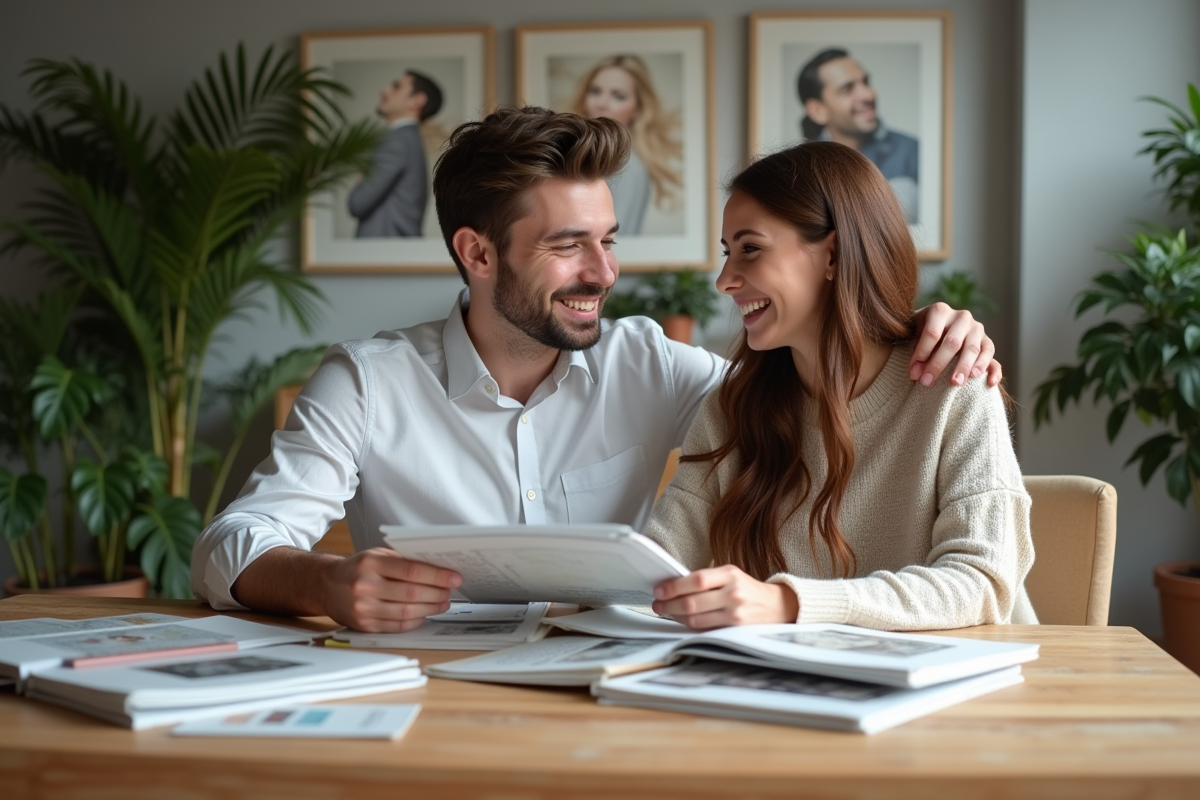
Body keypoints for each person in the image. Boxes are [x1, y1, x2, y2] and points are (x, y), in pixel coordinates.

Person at [191, 107, 1002, 633]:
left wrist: (935, 327)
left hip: (598, 682)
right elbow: (227, 546)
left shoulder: (661, 368)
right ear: (477, 253)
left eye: (608, 240)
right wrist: (325, 585)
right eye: (568, 245)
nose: (604, 272)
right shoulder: (369, 383)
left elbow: (833, 391)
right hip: (431, 693)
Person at [645, 141, 1035, 632]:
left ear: (832, 255)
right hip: (798, 677)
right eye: (728, 253)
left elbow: (981, 582)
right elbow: (658, 567)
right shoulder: (732, 406)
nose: (724, 279)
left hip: (970, 678)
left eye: (750, 249)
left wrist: (789, 604)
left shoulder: (953, 383)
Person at [797, 48, 919, 223]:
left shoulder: (913, 151)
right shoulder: (799, 171)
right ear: (818, 110)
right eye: (847, 89)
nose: (868, 95)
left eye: (866, 82)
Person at [571, 55, 682, 235]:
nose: (602, 103)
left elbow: (616, 239)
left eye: (619, 96)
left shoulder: (626, 166)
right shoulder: (600, 159)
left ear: (637, 109)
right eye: (595, 91)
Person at [347, 70, 443, 238]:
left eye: (396, 87)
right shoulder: (409, 140)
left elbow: (357, 203)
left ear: (417, 101)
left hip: (381, 251)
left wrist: (362, 177)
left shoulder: (397, 141)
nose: (384, 91)